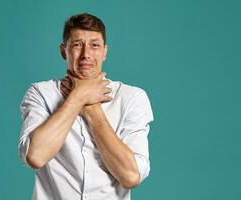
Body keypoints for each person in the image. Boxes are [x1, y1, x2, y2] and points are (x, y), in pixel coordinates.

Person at [18, 13, 154, 200]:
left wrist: (92, 109)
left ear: (105, 52)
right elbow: (35, 156)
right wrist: (77, 98)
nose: (86, 55)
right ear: (63, 50)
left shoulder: (131, 97)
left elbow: (131, 176)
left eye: (94, 45)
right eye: (77, 44)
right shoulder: (40, 93)